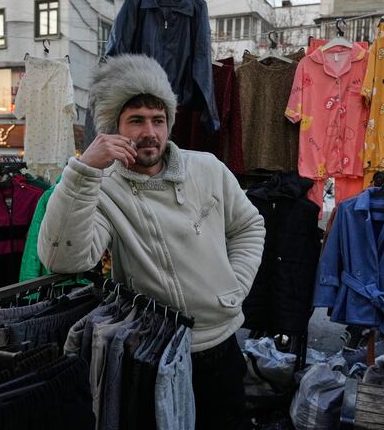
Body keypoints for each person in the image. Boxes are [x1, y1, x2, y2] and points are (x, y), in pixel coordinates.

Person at [37, 54, 265, 429]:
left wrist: (234, 287)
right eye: (136, 120)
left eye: (158, 120)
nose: (150, 132)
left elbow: (249, 226)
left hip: (220, 345)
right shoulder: (103, 187)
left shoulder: (207, 168)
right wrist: (84, 171)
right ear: (113, 128)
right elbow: (64, 259)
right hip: (153, 352)